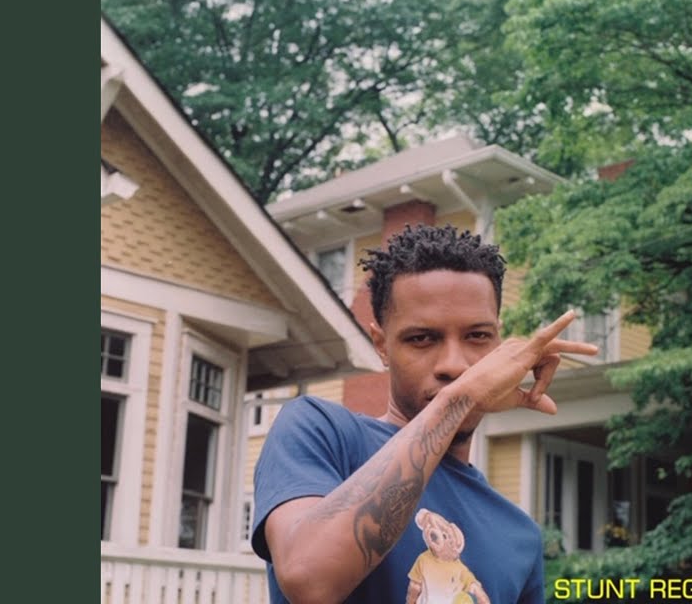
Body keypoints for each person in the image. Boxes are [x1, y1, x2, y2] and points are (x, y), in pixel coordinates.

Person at [250, 224, 598, 603]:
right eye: (421, 339)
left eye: (478, 336)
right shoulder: (320, 432)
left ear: (498, 343)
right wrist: (459, 399)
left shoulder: (520, 535)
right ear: (382, 345)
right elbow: (309, 579)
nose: (454, 365)